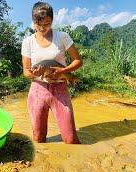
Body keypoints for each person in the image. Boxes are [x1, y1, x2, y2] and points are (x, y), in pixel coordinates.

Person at [21, 1, 83, 144]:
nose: (43, 27)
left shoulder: (62, 37)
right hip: (37, 91)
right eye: (39, 24)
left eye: (47, 23)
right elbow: (26, 71)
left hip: (60, 89)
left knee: (71, 139)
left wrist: (64, 71)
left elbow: (78, 61)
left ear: (52, 20)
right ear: (33, 21)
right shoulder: (27, 42)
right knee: (38, 139)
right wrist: (36, 74)